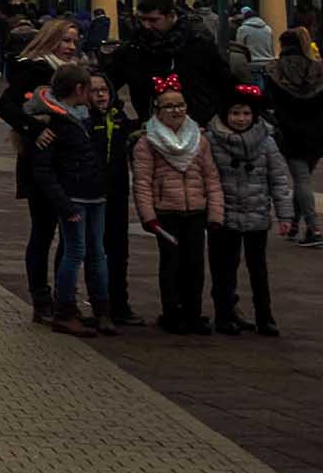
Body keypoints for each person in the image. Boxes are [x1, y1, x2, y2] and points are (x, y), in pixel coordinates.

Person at [0, 17, 83, 323]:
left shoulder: (79, 73)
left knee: (69, 233)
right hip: (41, 162)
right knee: (44, 231)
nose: (71, 47)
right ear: (50, 40)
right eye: (65, 40)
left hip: (71, 163)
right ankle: (41, 299)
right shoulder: (35, 69)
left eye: (74, 41)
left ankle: (64, 295)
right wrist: (32, 128)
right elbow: (5, 105)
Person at [28, 64, 112, 336]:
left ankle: (102, 309)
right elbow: (43, 169)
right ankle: (65, 309)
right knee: (75, 252)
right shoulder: (55, 122)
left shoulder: (86, 116)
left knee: (97, 252)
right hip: (74, 196)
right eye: (90, 89)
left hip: (95, 193)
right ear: (79, 90)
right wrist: (63, 203)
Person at [133, 86, 224, 335]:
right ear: (158, 111)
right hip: (166, 212)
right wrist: (148, 216)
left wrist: (215, 214)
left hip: (196, 210)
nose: (176, 111)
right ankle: (172, 313)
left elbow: (212, 178)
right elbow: (142, 182)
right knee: (171, 264)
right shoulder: (147, 142)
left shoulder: (199, 139)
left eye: (181, 105)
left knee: (195, 264)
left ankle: (193, 313)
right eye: (170, 106)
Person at [204, 86, 293, 336]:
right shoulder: (211, 141)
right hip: (225, 216)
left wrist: (284, 215)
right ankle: (224, 314)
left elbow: (278, 179)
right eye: (235, 113)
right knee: (224, 269)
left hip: (257, 214)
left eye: (246, 113)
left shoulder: (267, 141)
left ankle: (265, 316)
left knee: (259, 270)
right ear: (225, 114)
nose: (241, 118)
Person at [104, 0, 236, 127]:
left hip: (198, 127)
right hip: (151, 129)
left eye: (153, 20)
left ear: (171, 15)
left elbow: (224, 83)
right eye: (142, 19)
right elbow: (107, 85)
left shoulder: (199, 45)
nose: (146, 26)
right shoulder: (131, 50)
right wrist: (121, 117)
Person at [84, 69, 145, 324]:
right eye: (94, 91)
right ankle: (98, 304)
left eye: (104, 90)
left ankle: (120, 303)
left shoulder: (119, 118)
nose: (100, 95)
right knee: (92, 250)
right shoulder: (82, 120)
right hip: (88, 195)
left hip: (117, 193)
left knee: (119, 249)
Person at [262, 29, 323, 246]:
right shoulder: (318, 68)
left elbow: (266, 102)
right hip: (317, 130)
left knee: (301, 178)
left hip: (288, 129)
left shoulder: (274, 70)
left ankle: (313, 228)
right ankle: (297, 224)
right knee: (304, 177)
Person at [233, 7, 275, 75]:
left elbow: (239, 49)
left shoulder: (242, 29)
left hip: (252, 64)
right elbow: (271, 48)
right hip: (269, 64)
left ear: (245, 18)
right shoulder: (268, 29)